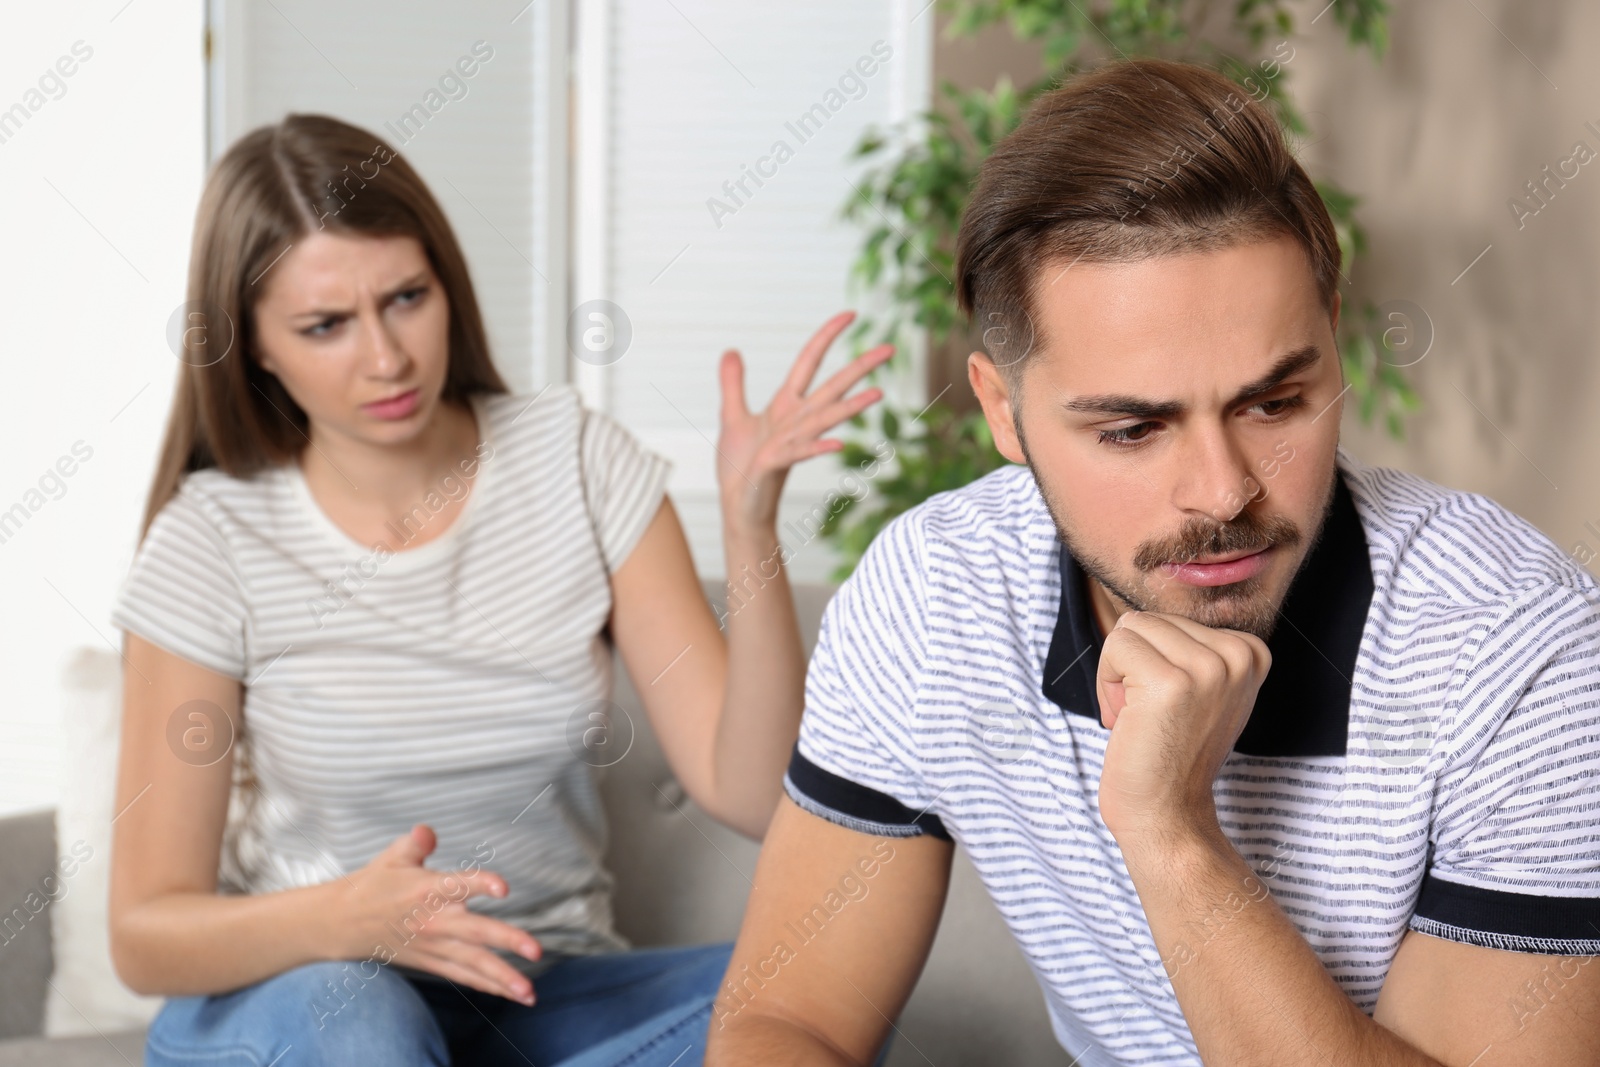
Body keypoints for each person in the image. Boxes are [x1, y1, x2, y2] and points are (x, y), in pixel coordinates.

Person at [707, 57, 1600, 1066]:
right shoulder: (934, 591)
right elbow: (789, 1020)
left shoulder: (1522, 650)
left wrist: (1171, 832)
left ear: (1333, 339)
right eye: (1133, 428)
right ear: (1003, 411)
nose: (1223, 493)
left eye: (1272, 403)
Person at [106, 113, 892, 1067]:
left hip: (541, 987)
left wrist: (750, 528)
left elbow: (757, 792)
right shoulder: (213, 537)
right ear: (256, 346)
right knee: (370, 1029)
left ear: (448, 286)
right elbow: (147, 931)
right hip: (314, 991)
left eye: (405, 297)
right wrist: (349, 917)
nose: (386, 357)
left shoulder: (579, 461)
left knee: (819, 997)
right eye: (325, 326)